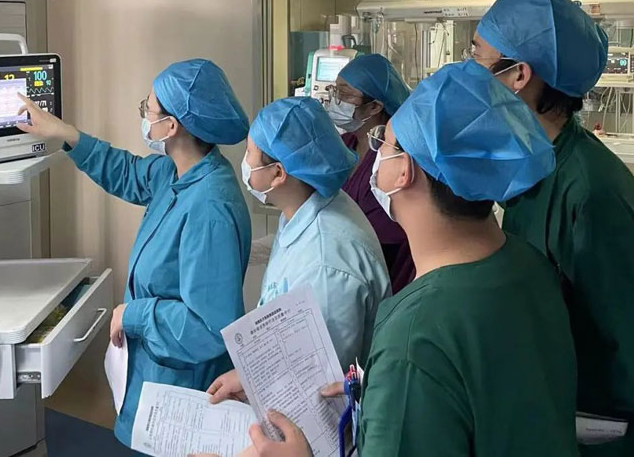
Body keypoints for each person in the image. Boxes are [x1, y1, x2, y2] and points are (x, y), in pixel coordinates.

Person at [232, 60, 579, 456]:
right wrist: (374, 394)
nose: (375, 153)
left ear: (404, 172)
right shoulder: (528, 264)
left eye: (385, 143)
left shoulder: (415, 337)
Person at [17, 59, 252, 449]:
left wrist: (134, 314)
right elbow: (126, 172)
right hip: (153, 371)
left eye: (149, 108)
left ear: (172, 126)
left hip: (183, 387)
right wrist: (63, 133)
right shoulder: (176, 173)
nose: (144, 115)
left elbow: (208, 328)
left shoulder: (210, 207)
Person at [473, 0, 634, 456]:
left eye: (476, 57)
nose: (468, 73)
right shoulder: (534, 162)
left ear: (518, 75)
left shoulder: (591, 192)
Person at [207, 96, 391, 404]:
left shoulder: (327, 266)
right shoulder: (307, 204)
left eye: (250, 153)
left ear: (278, 174)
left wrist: (254, 382)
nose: (245, 163)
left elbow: (321, 379)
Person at [325, 54, 414, 294]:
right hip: (340, 267)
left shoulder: (393, 157)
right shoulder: (344, 144)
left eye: (345, 94)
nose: (335, 100)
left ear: (374, 106)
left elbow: (385, 233)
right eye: (335, 90)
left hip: (382, 270)